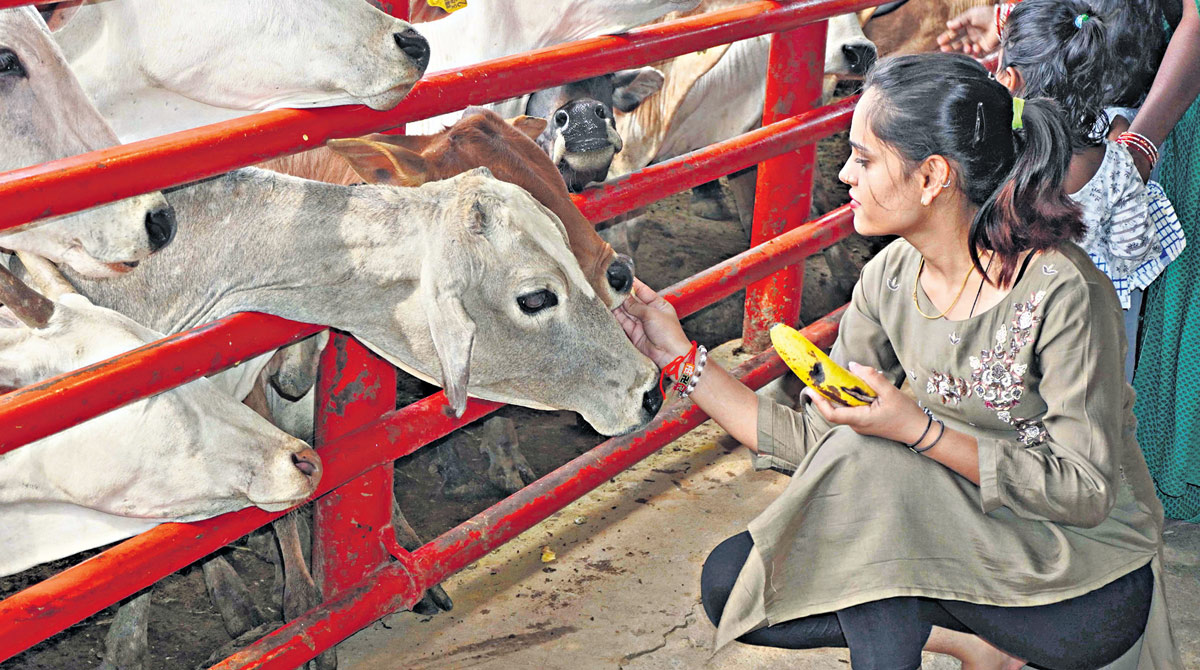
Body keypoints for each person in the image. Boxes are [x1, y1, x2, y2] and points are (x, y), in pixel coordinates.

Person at [616, 53, 1179, 669]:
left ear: (932, 176)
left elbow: (1086, 491)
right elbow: (822, 444)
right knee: (736, 579)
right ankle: (976, 646)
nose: (844, 177)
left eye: (864, 158)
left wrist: (917, 429)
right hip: (950, 537)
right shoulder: (887, 277)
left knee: (874, 482)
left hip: (1078, 582)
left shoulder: (1064, 291)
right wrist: (679, 355)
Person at [992, 0, 1185, 383]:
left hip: (1015, 324)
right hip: (1096, 330)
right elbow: (1133, 251)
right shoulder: (1116, 166)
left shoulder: (996, 156)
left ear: (1008, 79)